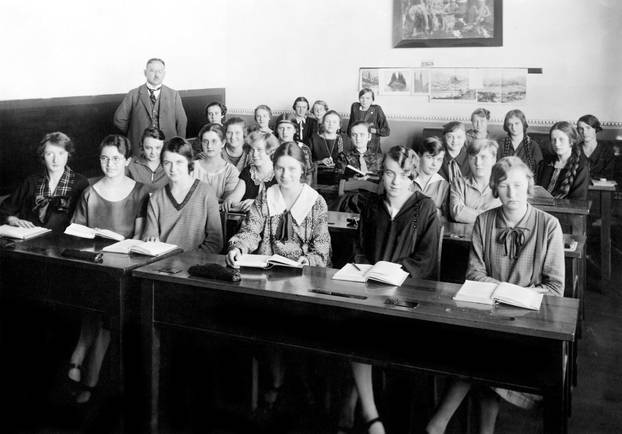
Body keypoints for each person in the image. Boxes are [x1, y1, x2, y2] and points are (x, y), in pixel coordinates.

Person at [426, 156, 564, 434]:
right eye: (503, 185)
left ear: (529, 186)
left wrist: (509, 294)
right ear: (494, 188)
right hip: (487, 315)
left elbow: (554, 289)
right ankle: (471, 429)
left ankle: (440, 423)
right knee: (479, 343)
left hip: (530, 321)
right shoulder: (484, 221)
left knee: (484, 350)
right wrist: (505, 293)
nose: (512, 192)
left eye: (518, 184)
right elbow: (473, 274)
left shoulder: (549, 226)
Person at [338, 146, 440, 434]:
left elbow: (426, 259)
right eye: (389, 174)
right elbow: (358, 249)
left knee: (393, 339)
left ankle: (364, 403)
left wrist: (395, 272)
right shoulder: (372, 206)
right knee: (354, 328)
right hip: (370, 290)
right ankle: (370, 415)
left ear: (413, 177)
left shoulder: (425, 208)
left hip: (407, 295)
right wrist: (366, 269)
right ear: (381, 175)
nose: (395, 181)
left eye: (403, 175)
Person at [68, 135, 150, 404]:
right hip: (94, 266)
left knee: (104, 306)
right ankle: (86, 379)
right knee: (97, 301)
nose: (110, 163)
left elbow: (139, 237)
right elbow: (77, 234)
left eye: (116, 158)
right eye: (104, 158)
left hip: (126, 269)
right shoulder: (90, 192)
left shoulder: (139, 191)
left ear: (127, 160)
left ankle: (79, 364)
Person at [143, 137, 222, 252]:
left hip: (196, 264)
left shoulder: (206, 193)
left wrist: (188, 260)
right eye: (167, 163)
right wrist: (151, 243)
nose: (173, 168)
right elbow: (151, 238)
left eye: (179, 162)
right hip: (162, 265)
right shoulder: (156, 198)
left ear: (189, 162)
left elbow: (215, 243)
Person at [0, 132, 89, 232]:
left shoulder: (80, 183)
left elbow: (86, 222)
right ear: (43, 155)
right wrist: (12, 219)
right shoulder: (31, 182)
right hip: (32, 243)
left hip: (65, 244)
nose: (55, 159)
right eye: (49, 154)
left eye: (61, 153)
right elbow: (4, 210)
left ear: (68, 154)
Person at [113, 58, 187, 157]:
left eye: (159, 71)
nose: (156, 75)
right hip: (141, 148)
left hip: (167, 147)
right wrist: (135, 131)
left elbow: (182, 122)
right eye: (152, 71)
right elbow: (119, 119)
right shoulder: (133, 94)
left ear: (164, 74)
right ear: (145, 73)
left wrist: (179, 145)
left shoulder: (173, 95)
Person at [222, 130, 280, 213]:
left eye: (259, 150)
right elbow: (236, 197)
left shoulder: (280, 172)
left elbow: (282, 203)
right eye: (252, 150)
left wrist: (257, 203)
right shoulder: (248, 171)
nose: (254, 154)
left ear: (270, 151)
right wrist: (230, 199)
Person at [333, 121, 383, 213]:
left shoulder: (379, 158)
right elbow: (338, 179)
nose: (358, 138)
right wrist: (352, 179)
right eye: (354, 135)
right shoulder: (343, 156)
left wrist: (370, 178)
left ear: (369, 137)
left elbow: (383, 181)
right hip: (351, 200)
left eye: (362, 134)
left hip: (374, 200)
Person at [449, 139, 501, 223]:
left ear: (493, 159)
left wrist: (467, 214)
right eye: (473, 158)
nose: (478, 163)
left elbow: (506, 216)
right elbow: (457, 213)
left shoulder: (503, 184)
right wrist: (491, 218)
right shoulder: (458, 183)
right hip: (464, 234)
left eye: (483, 157)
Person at [536, 121, 589, 199]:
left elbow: (578, 200)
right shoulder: (545, 163)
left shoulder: (581, 167)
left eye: (561, 139)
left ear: (571, 141)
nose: (557, 144)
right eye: (554, 140)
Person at [193, 123, 240, 201]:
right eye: (205, 141)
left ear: (223, 143)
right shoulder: (191, 167)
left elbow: (227, 204)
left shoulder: (231, 171)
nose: (209, 146)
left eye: (214, 141)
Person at [309, 110, 352, 184]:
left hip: (341, 179)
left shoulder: (345, 140)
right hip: (317, 178)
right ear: (322, 124)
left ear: (339, 126)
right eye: (327, 121)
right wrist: (320, 162)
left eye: (334, 122)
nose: (330, 124)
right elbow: (306, 162)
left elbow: (351, 163)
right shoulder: (314, 139)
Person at [497, 109, 543, 174]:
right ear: (507, 126)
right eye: (510, 124)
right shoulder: (500, 144)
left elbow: (539, 171)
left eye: (517, 123)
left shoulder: (533, 146)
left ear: (523, 124)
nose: (514, 127)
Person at [413, 136, 449, 216]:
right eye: (430, 157)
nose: (434, 164)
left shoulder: (444, 185)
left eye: (439, 159)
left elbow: (445, 216)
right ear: (419, 156)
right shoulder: (407, 178)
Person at [346, 88, 390, 154]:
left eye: (368, 98)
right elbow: (350, 128)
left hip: (372, 148)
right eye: (362, 98)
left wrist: (374, 130)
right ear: (359, 98)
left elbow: (386, 131)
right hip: (356, 146)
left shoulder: (377, 109)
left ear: (372, 100)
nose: (364, 101)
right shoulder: (355, 107)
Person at [126, 127, 168, 194]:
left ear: (163, 146)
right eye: (148, 148)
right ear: (142, 145)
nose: (153, 152)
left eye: (158, 148)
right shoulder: (131, 164)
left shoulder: (170, 165)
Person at [275, 113, 314, 184]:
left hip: (297, 187)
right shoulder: (271, 148)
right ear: (277, 130)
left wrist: (304, 193)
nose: (285, 132)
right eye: (281, 128)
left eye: (289, 128)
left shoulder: (303, 149)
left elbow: (308, 174)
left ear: (295, 130)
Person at [577, 114, 615, 180]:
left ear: (596, 129)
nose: (584, 132)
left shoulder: (606, 149)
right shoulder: (575, 149)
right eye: (581, 129)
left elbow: (609, 174)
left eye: (588, 128)